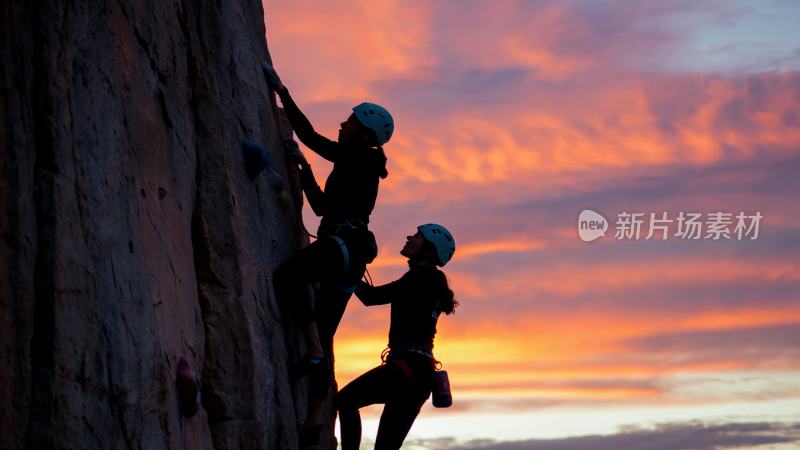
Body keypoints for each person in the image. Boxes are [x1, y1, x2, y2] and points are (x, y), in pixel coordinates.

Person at [262, 62, 394, 445]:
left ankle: (315, 353)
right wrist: (302, 169)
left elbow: (309, 135)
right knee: (324, 334)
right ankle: (313, 424)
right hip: (348, 256)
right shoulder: (361, 165)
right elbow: (321, 208)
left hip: (340, 249)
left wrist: (281, 91)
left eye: (350, 121)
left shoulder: (361, 157)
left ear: (364, 131)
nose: (343, 124)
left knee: (287, 280)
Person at [335, 224, 457, 450]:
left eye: (417, 237)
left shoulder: (418, 279)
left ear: (428, 250)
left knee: (345, 401)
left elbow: (371, 297)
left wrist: (346, 265)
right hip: (420, 376)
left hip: (403, 369)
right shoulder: (431, 281)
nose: (410, 237)